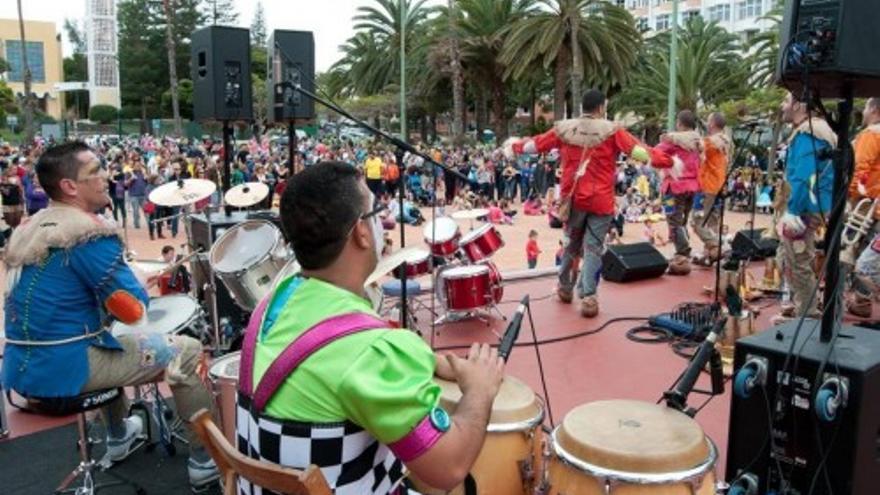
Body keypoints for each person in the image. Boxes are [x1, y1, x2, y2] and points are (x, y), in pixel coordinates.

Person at [236, 161, 505, 494]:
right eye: (375, 211)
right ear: (361, 233)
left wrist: (428, 359)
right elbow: (448, 468)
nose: (381, 222)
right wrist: (480, 389)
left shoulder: (273, 302)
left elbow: (330, 353)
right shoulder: (368, 353)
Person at [0, 142, 219, 490]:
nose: (106, 177)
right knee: (188, 350)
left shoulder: (32, 226)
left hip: (20, 366)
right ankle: (206, 460)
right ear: (70, 187)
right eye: (95, 172)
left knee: (111, 343)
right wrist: (131, 279)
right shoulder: (88, 235)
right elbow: (133, 312)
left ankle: (118, 436)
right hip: (66, 366)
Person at [505, 89, 678, 317]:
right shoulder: (612, 131)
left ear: (583, 108)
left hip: (573, 198)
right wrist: (668, 161)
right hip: (601, 200)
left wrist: (514, 146)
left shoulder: (565, 129)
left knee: (570, 245)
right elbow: (639, 151)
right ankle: (588, 298)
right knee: (593, 248)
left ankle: (565, 289)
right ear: (600, 108)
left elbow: (535, 145)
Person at [773, 92, 836, 323]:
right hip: (808, 205)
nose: (782, 105)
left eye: (786, 100)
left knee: (799, 261)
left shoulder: (809, 132)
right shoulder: (813, 130)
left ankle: (806, 315)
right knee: (789, 257)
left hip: (804, 208)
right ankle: (801, 305)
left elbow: (805, 176)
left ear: (799, 105)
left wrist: (793, 211)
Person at [655, 110, 703, 275]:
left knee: (673, 221)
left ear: (679, 123)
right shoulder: (698, 142)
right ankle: (683, 250)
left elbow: (655, 154)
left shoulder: (673, 140)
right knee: (682, 221)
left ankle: (682, 253)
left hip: (673, 188)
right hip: (692, 188)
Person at [845, 97, 880, 317]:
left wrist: (848, 196)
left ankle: (863, 299)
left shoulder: (871, 134)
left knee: (854, 260)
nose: (863, 111)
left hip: (866, 206)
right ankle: (861, 303)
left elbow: (859, 170)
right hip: (874, 206)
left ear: (875, 109)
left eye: (866, 107)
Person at [691, 112, 731, 264]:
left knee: (696, 222)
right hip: (720, 186)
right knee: (712, 223)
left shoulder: (710, 141)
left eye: (708, 121)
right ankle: (709, 255)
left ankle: (719, 246)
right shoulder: (727, 141)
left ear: (713, 123)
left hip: (707, 186)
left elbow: (697, 146)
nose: (707, 124)